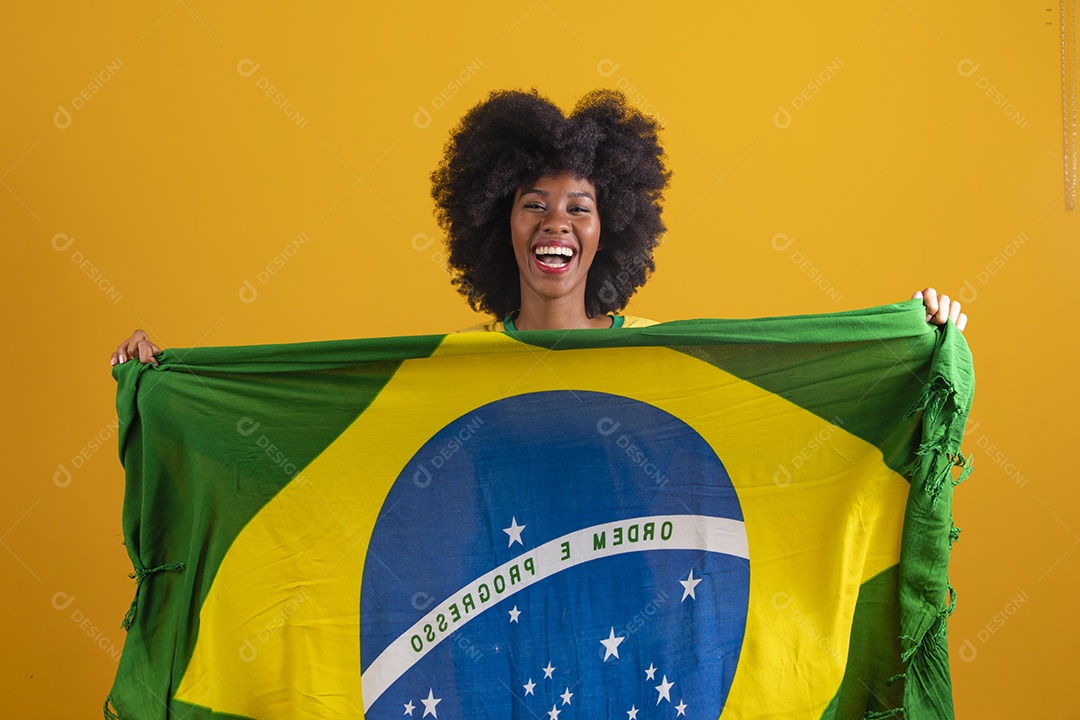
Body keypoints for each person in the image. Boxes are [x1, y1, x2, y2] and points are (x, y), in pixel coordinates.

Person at [110, 89, 967, 365]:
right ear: (497, 224)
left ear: (610, 229)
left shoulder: (658, 360)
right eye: (534, 204)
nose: (557, 222)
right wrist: (172, 385)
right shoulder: (455, 373)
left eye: (580, 207)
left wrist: (913, 340)